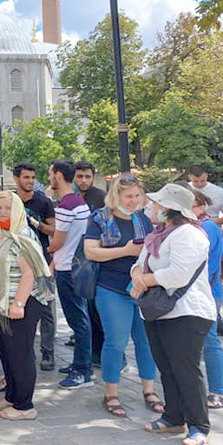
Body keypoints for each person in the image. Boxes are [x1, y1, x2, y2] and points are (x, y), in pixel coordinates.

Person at [130, 183, 216, 445]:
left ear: (168, 210)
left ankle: (199, 426)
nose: (151, 208)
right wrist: (138, 274)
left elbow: (178, 274)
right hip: (159, 312)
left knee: (186, 370)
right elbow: (140, 262)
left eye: (156, 204)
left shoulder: (189, 235)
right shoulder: (159, 234)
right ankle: (173, 417)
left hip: (187, 313)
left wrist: (144, 279)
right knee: (167, 368)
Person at [83, 175, 160, 418]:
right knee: (115, 343)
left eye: (137, 196)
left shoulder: (144, 219)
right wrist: (125, 251)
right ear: (116, 195)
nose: (133, 200)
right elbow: (91, 252)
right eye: (128, 196)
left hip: (141, 289)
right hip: (111, 289)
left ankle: (149, 390)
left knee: (146, 342)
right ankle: (111, 393)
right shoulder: (100, 218)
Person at [0, 191, 51, 421]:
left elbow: (30, 273)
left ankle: (24, 405)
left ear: (18, 210)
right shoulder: (0, 233)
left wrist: (19, 303)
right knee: (7, 353)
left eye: (8, 207)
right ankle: (12, 395)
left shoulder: (22, 235)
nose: (2, 211)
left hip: (21, 305)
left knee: (20, 354)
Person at [47, 159, 93, 389]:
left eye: (50, 174)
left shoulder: (67, 205)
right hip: (73, 266)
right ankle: (80, 363)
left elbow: (58, 241)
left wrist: (47, 250)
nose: (48, 178)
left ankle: (83, 370)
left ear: (57, 175)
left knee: (78, 321)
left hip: (68, 269)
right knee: (80, 318)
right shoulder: (76, 202)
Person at [13, 163, 57, 372]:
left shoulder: (43, 202)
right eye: (26, 177)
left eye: (32, 177)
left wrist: (37, 224)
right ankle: (23, 350)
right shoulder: (9, 201)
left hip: (41, 264)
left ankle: (48, 352)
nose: (30, 181)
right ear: (16, 179)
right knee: (20, 308)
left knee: (46, 309)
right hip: (16, 264)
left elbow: (53, 230)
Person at [186, 187, 223, 411]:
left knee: (209, 341)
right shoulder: (200, 226)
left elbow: (205, 267)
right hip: (206, 290)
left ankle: (217, 390)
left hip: (206, 292)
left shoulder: (206, 226)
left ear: (200, 207)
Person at [74, 161, 107, 365]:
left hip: (97, 260)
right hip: (77, 260)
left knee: (98, 309)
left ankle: (104, 353)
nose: (83, 180)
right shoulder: (71, 198)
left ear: (93, 177)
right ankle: (91, 352)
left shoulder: (101, 197)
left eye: (87, 176)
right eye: (79, 176)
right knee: (84, 307)